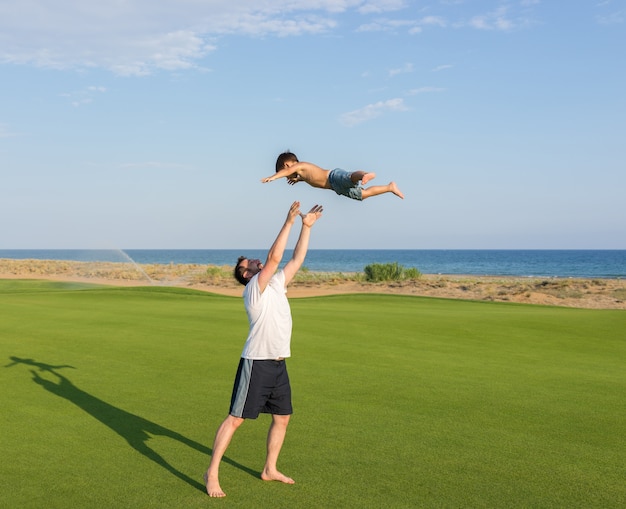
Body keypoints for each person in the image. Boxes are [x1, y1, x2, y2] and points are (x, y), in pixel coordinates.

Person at [204, 201, 323, 498]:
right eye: (249, 263)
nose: (255, 261)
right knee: (236, 419)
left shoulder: (276, 284)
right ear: (246, 275)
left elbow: (295, 259)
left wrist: (306, 228)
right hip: (256, 362)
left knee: (282, 417)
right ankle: (212, 472)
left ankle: (269, 468)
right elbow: (274, 257)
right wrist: (289, 221)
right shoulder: (253, 288)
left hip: (279, 363)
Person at [261, 151, 404, 201]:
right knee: (363, 195)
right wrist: (298, 181)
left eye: (285, 174)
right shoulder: (301, 175)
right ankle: (389, 187)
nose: (287, 177)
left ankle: (365, 175)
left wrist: (272, 177)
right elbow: (308, 178)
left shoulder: (300, 165)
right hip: (336, 188)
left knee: (350, 177)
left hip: (333, 176)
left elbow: (286, 172)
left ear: (287, 165)